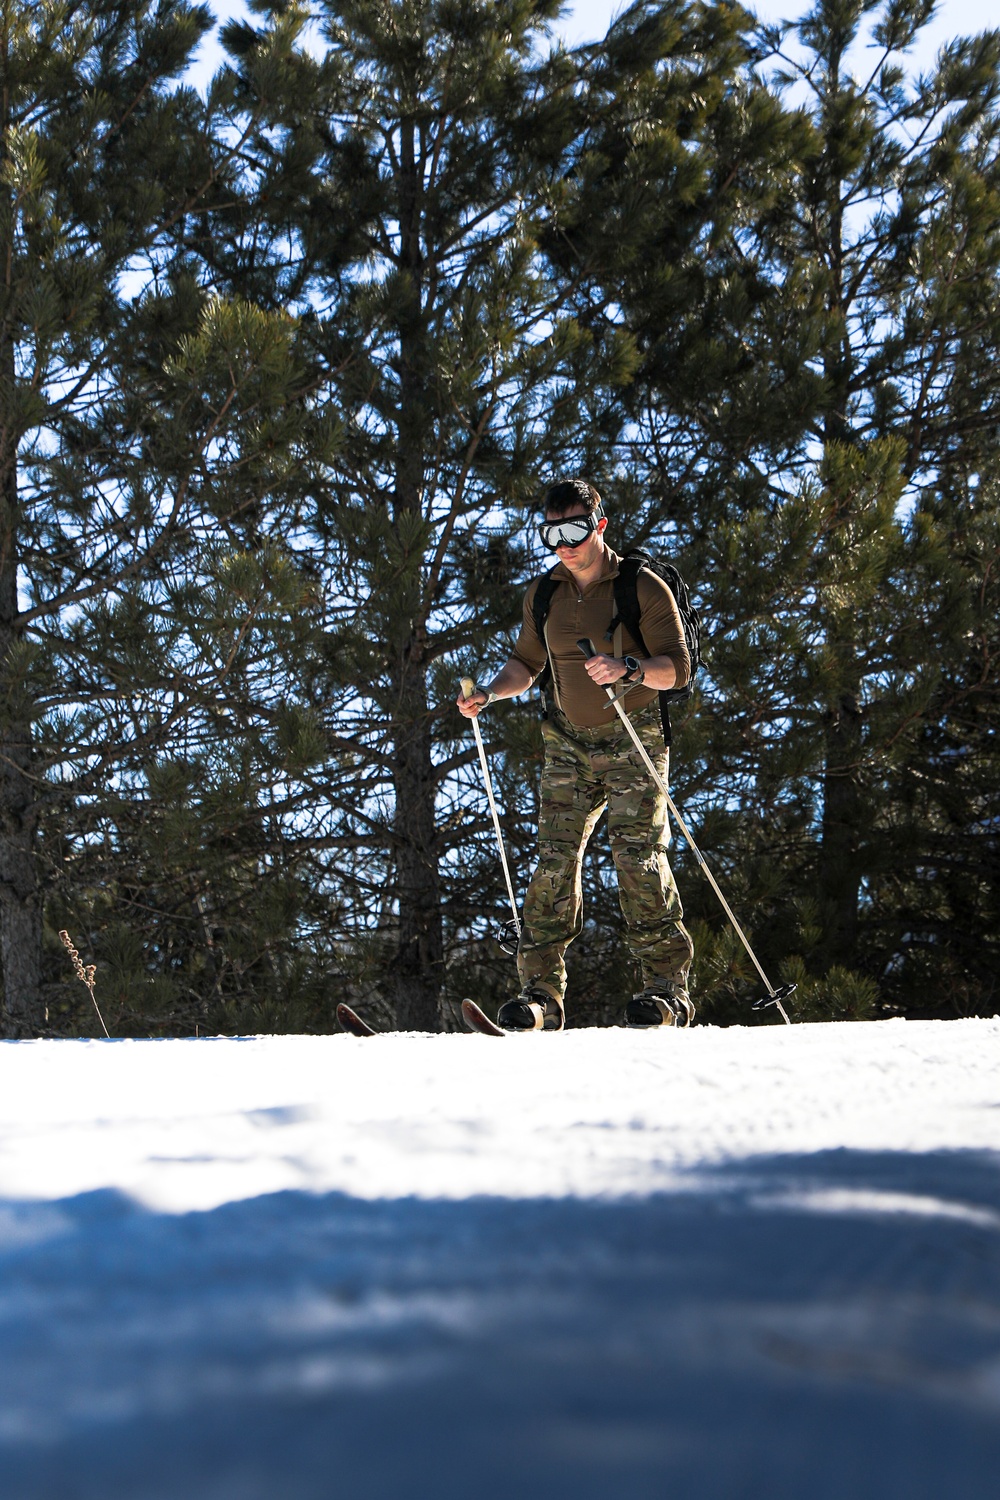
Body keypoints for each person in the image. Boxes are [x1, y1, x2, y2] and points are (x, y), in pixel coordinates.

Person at [457, 478, 695, 1031]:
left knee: (638, 858)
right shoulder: (544, 594)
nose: (564, 545)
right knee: (553, 862)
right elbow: (525, 664)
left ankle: (666, 992)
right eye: (552, 534)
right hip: (566, 740)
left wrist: (628, 669)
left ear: (599, 525)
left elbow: (678, 669)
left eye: (575, 531)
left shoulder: (642, 587)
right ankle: (539, 995)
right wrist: (489, 694)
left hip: (633, 734)